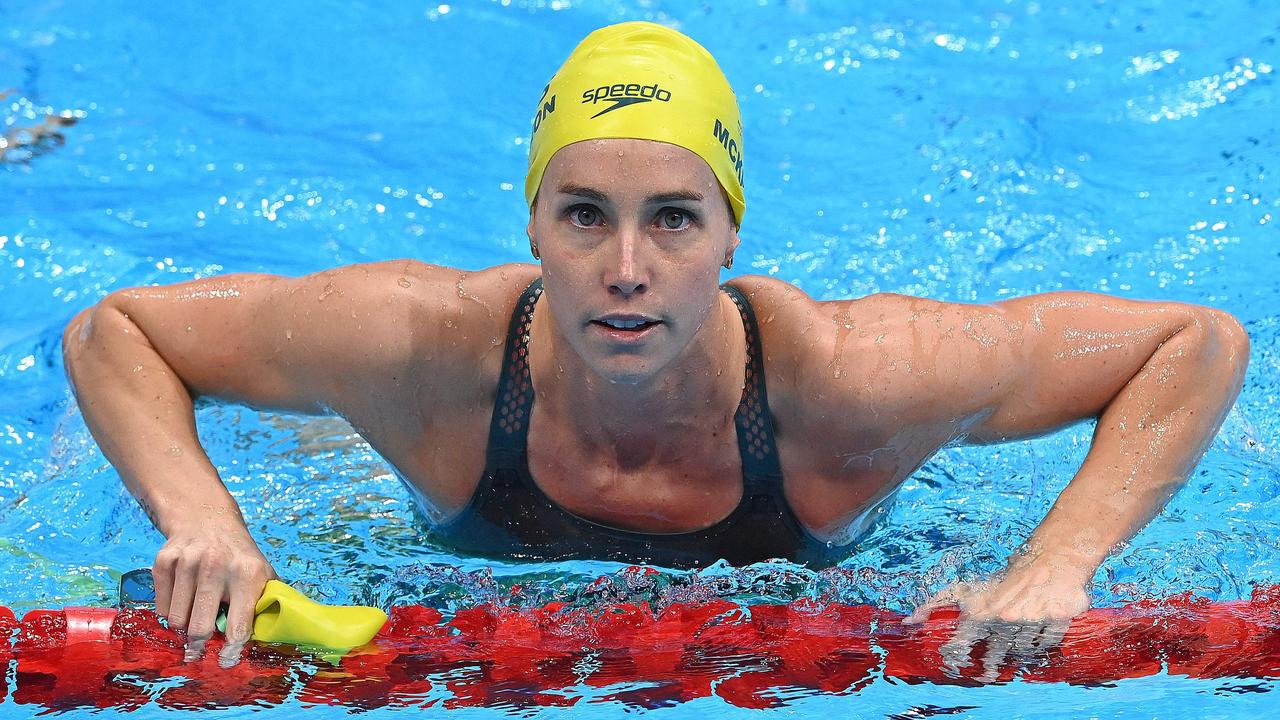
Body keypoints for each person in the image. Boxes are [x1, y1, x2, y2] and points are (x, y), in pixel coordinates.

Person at [62, 21, 1249, 671]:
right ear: (531, 225)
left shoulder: (853, 381)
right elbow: (116, 330)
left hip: (816, 521)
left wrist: (1057, 562)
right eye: (583, 215)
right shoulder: (417, 343)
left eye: (671, 219)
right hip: (447, 445)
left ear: (730, 236)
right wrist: (202, 520)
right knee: (318, 456)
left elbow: (1194, 343)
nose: (625, 267)